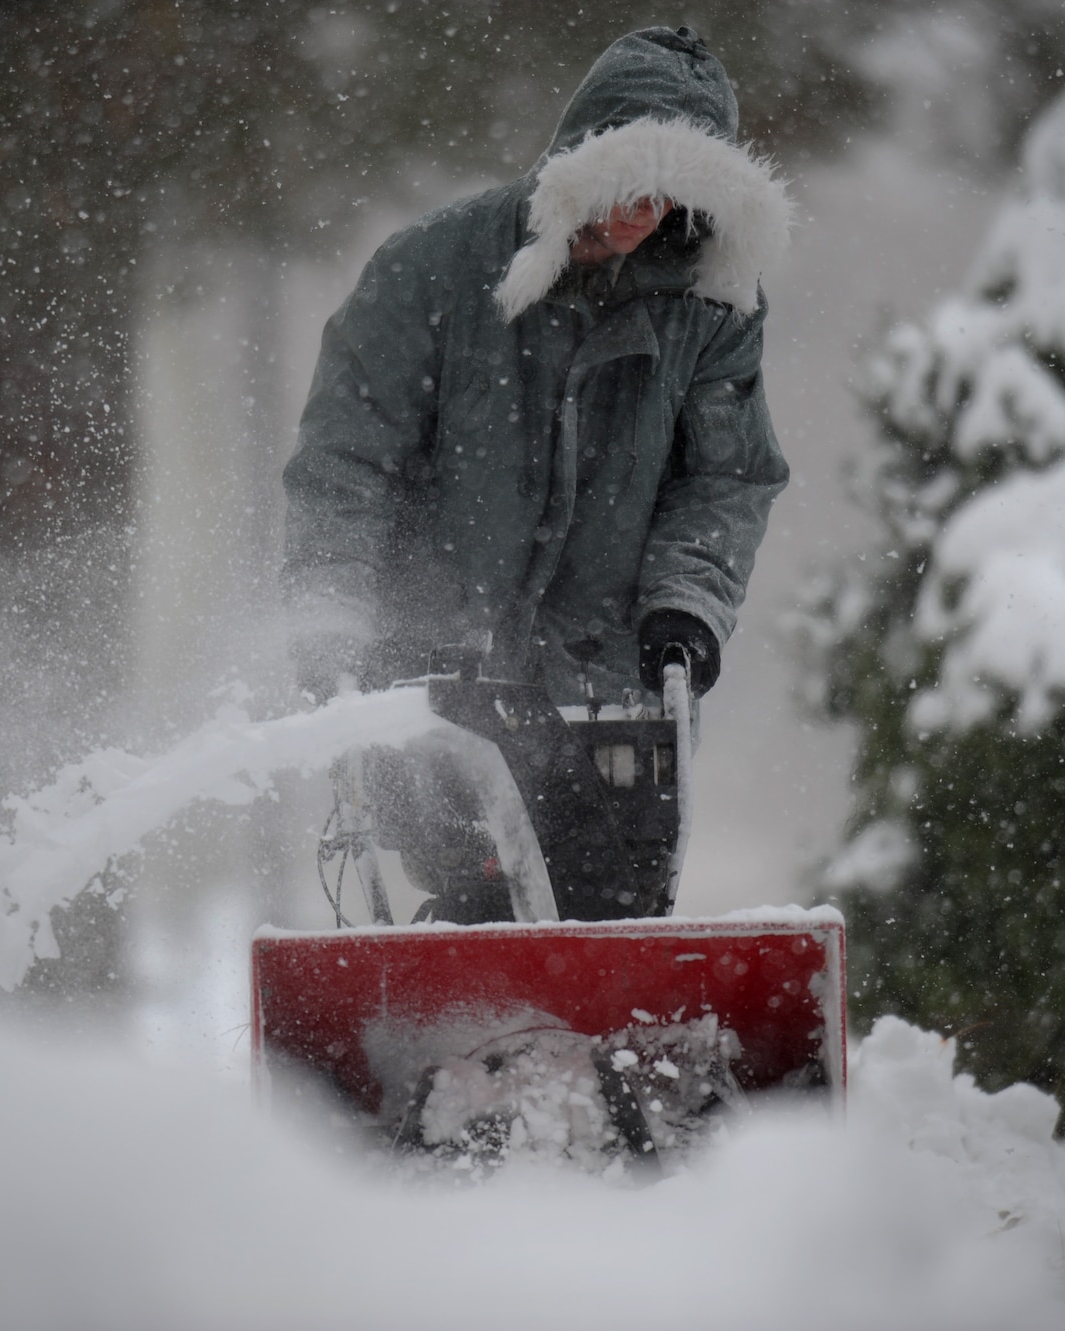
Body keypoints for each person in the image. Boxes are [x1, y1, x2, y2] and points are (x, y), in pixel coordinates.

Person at [282, 26, 790, 918]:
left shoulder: (710, 309)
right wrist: (333, 620)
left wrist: (686, 606)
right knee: (474, 897)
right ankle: (470, 1040)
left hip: (608, 682)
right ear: (580, 157)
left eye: (672, 194)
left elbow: (726, 478)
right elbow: (344, 464)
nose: (646, 212)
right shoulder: (429, 276)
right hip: (439, 670)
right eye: (630, 181)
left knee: (613, 906)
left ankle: (607, 1055)